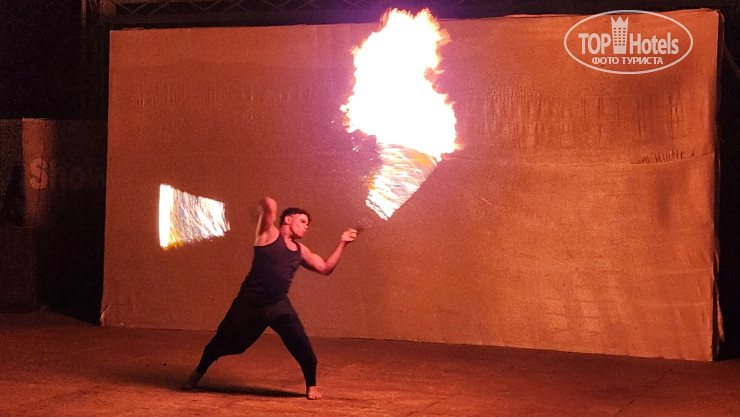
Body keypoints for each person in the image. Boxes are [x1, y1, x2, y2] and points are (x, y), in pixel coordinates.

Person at [181, 197, 357, 400]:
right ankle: (198, 372)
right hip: (250, 302)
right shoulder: (268, 234)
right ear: (288, 219)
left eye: (307, 224)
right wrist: (268, 205)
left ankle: (311, 385)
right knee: (230, 343)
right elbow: (269, 206)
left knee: (303, 347)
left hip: (278, 305)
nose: (305, 227)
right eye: (302, 221)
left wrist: (343, 243)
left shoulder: (301, 251)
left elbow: (325, 268)